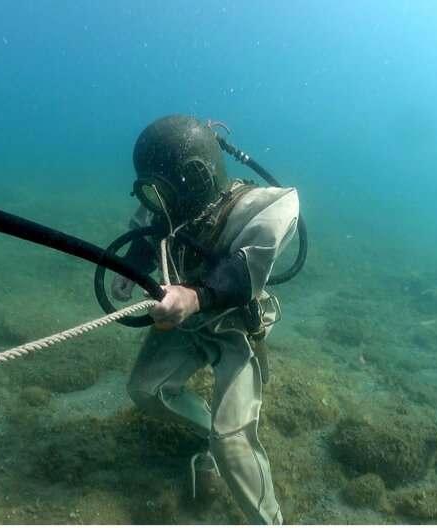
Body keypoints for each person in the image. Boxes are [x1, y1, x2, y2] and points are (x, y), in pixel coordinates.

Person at [111, 115, 299, 524]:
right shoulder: (164, 207)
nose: (152, 201)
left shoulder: (257, 207)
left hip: (234, 327)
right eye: (149, 189)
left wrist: (195, 295)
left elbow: (244, 267)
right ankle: (206, 432)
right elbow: (145, 235)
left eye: (160, 189)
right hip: (185, 324)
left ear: (196, 175)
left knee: (233, 443)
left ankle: (270, 520)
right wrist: (130, 269)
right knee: (145, 390)